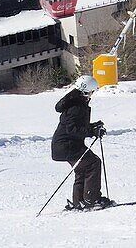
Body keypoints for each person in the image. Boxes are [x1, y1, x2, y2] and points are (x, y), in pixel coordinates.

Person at [52, 75, 110, 210]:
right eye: (92, 91)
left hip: (66, 145)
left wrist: (93, 127)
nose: (92, 94)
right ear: (87, 90)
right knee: (93, 163)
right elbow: (72, 129)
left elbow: (76, 125)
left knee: (82, 169)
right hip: (67, 145)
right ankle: (91, 200)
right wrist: (92, 132)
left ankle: (80, 201)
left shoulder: (76, 101)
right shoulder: (76, 106)